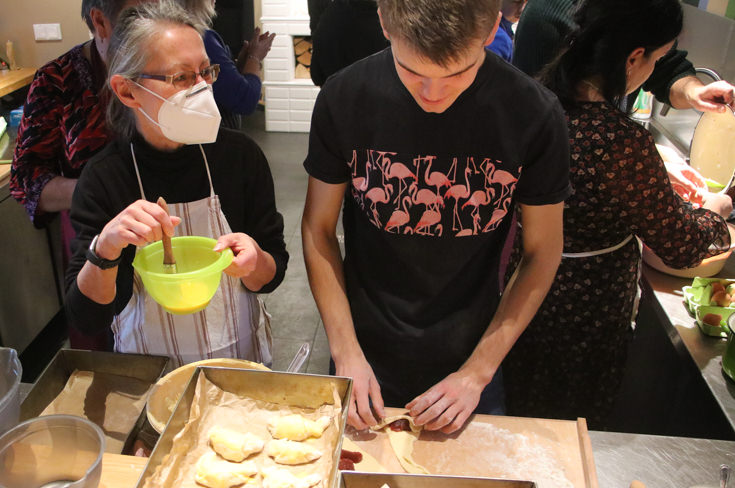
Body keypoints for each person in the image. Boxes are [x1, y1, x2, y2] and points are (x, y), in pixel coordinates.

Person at [302, 0, 571, 433]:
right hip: (361, 343)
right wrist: (346, 351)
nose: (433, 95)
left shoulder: (532, 113)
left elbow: (542, 252)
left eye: (457, 74)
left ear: (491, 32)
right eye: (411, 72)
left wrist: (476, 373)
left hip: (474, 352)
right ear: (384, 24)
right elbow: (318, 229)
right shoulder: (345, 96)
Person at [503, 0, 732, 429]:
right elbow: (680, 244)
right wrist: (718, 211)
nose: (656, 68)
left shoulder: (537, 106)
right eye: (657, 59)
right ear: (632, 57)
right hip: (585, 311)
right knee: (570, 426)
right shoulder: (619, 141)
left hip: (523, 290)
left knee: (526, 418)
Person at [65, 0, 288, 368]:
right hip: (148, 373)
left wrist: (255, 261)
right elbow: (89, 318)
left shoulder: (240, 157)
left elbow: (271, 273)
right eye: (181, 78)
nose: (201, 89)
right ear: (127, 91)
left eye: (206, 72)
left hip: (238, 365)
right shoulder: (105, 178)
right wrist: (105, 247)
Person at [10, 0, 147, 350]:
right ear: (100, 21)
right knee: (105, 347)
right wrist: (98, 191)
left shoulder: (162, 66)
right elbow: (27, 179)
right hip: (93, 236)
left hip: (163, 230)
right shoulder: (56, 81)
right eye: (138, 15)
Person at [513, 0, 735, 115]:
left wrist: (694, 92)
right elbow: (529, 122)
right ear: (633, 58)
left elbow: (666, 66)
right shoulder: (545, 19)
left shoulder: (643, 15)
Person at [177, 0, 274, 129]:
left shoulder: (172, 31)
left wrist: (240, 66)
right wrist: (254, 57)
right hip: (211, 137)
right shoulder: (202, 39)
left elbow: (220, 85)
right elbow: (246, 100)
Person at [309, 0, 389, 87]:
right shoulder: (388, 20)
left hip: (337, 96)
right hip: (382, 96)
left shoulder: (329, 17)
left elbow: (317, 76)